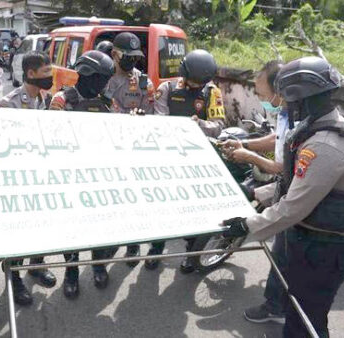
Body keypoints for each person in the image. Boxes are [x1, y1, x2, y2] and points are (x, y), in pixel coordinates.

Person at [222, 56, 344, 337]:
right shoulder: (318, 124)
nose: (282, 104)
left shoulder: (324, 146)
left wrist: (247, 225)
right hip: (316, 235)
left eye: (286, 99)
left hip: (326, 247)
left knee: (306, 321)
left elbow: (293, 207)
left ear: (300, 99)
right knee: (298, 304)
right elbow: (297, 182)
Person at [220, 60, 289, 324]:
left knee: (282, 253)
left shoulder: (300, 118)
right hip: (284, 186)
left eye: (261, 93)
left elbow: (282, 168)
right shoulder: (284, 113)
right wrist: (244, 142)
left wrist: (249, 155)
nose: (260, 99)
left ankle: (276, 307)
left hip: (294, 192)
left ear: (279, 91)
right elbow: (275, 139)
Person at [145, 49, 226, 272]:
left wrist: (199, 124)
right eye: (193, 81)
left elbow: (218, 127)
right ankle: (155, 248)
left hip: (199, 160)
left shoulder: (212, 92)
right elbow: (159, 123)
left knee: (195, 209)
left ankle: (192, 253)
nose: (196, 86)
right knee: (163, 207)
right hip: (167, 158)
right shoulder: (167, 89)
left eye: (201, 82)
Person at [48, 50, 115, 298]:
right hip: (69, 176)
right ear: (88, 75)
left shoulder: (107, 102)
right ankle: (72, 271)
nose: (105, 84)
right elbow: (49, 136)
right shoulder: (62, 100)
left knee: (99, 226)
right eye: (102, 78)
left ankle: (98, 265)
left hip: (100, 176)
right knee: (73, 230)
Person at [0, 51, 56, 305]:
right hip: (16, 180)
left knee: (42, 226)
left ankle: (37, 265)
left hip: (41, 176)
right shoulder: (7, 104)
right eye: (46, 73)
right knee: (18, 233)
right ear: (30, 74)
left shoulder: (46, 99)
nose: (50, 77)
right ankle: (15, 277)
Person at [103, 32, 154, 266]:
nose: (132, 61)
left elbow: (149, 114)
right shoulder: (102, 78)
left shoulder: (144, 81)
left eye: (136, 57)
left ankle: (133, 246)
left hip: (134, 152)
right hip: (108, 150)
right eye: (127, 56)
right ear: (114, 54)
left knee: (134, 202)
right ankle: (109, 243)